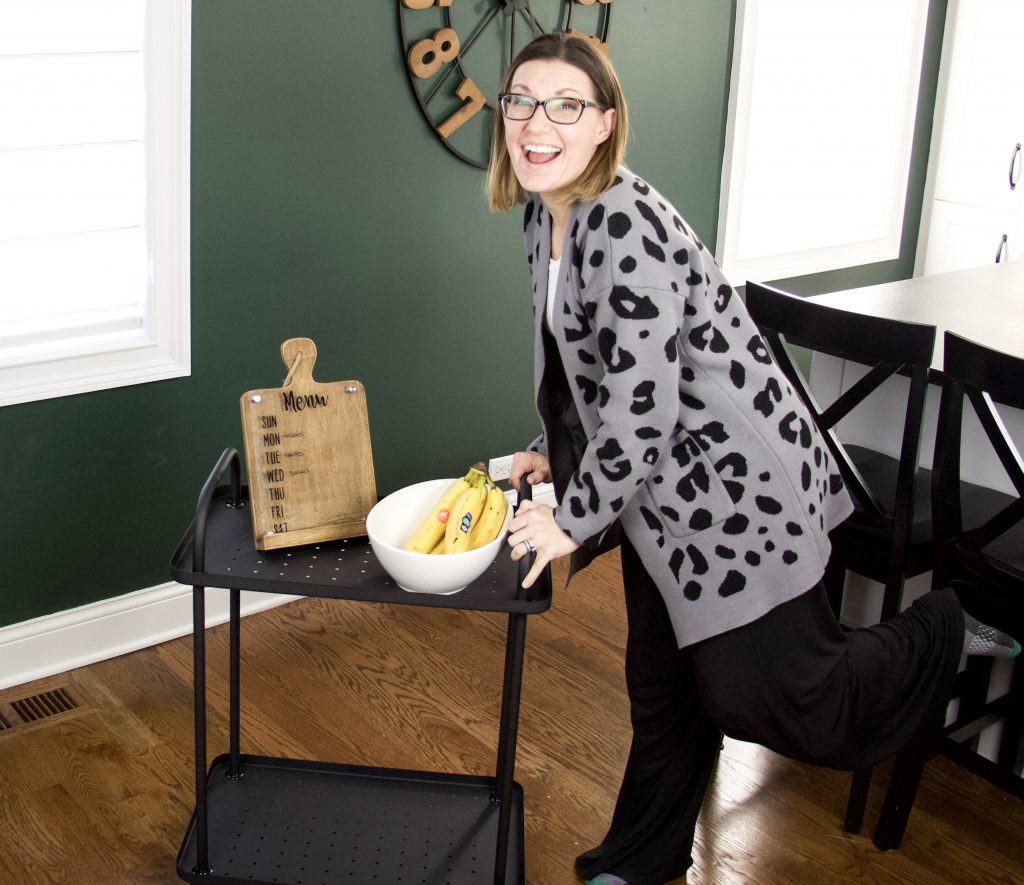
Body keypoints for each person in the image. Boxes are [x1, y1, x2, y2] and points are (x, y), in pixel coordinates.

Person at [486, 32, 1021, 885]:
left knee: (776, 697)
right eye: (521, 100)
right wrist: (551, 454)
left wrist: (572, 520)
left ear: (604, 125)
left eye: (565, 105)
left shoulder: (619, 219)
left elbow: (643, 402)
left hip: (737, 493)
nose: (537, 121)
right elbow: (588, 372)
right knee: (663, 691)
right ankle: (637, 861)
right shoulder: (542, 217)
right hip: (657, 495)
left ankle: (950, 627)